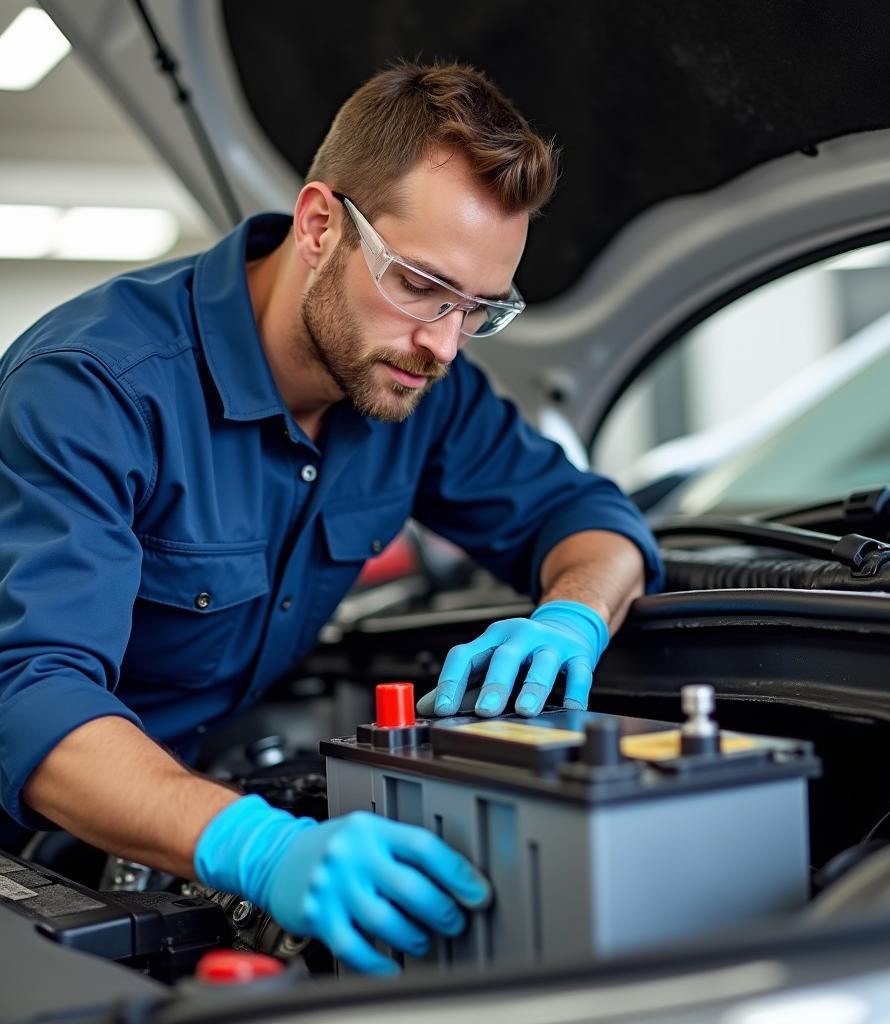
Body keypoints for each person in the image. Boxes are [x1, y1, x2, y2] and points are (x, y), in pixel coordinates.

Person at [0, 62, 663, 973]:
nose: (442, 343)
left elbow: (588, 515)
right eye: (423, 285)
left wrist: (575, 614)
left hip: (170, 810)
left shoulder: (421, 385)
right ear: (320, 225)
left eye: (479, 309)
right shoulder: (96, 389)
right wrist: (262, 848)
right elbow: (31, 699)